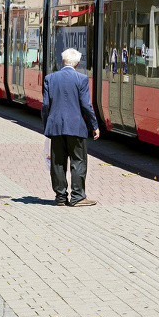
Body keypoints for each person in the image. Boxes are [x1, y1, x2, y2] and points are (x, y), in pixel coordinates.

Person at [42, 48, 100, 206]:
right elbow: (86, 105)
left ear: (63, 62)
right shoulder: (81, 79)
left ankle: (60, 197)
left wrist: (47, 125)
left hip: (56, 127)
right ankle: (78, 197)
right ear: (77, 63)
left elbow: (46, 105)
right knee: (78, 161)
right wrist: (94, 125)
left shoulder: (50, 78)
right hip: (76, 127)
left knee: (58, 162)